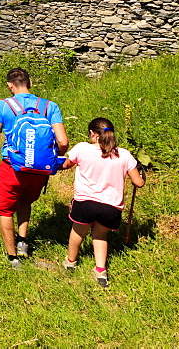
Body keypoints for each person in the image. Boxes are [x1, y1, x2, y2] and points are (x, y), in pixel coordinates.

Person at [0, 67, 68, 268]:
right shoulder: (49, 106)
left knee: (5, 210)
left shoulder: (2, 106)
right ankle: (23, 241)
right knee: (25, 202)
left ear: (10, 86)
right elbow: (63, 142)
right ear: (30, 84)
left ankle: (13, 258)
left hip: (12, 167)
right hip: (38, 170)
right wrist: (53, 160)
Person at [62, 117, 145, 287]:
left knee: (78, 233)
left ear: (92, 134)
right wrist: (142, 173)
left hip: (85, 203)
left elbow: (66, 165)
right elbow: (139, 183)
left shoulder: (82, 148)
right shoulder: (124, 154)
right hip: (110, 207)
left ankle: (71, 262)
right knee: (100, 235)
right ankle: (101, 271)